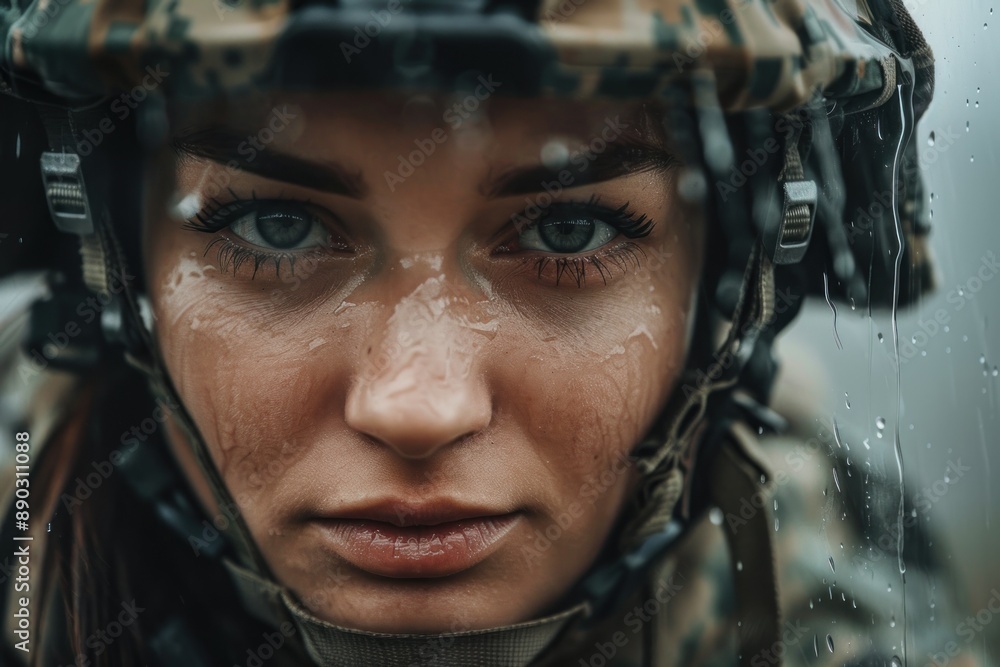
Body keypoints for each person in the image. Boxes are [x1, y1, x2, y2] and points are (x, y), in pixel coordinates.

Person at [0, 1, 983, 665]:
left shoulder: (843, 609)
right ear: (117, 268)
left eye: (569, 229)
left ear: (722, 294)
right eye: (277, 226)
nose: (417, 405)